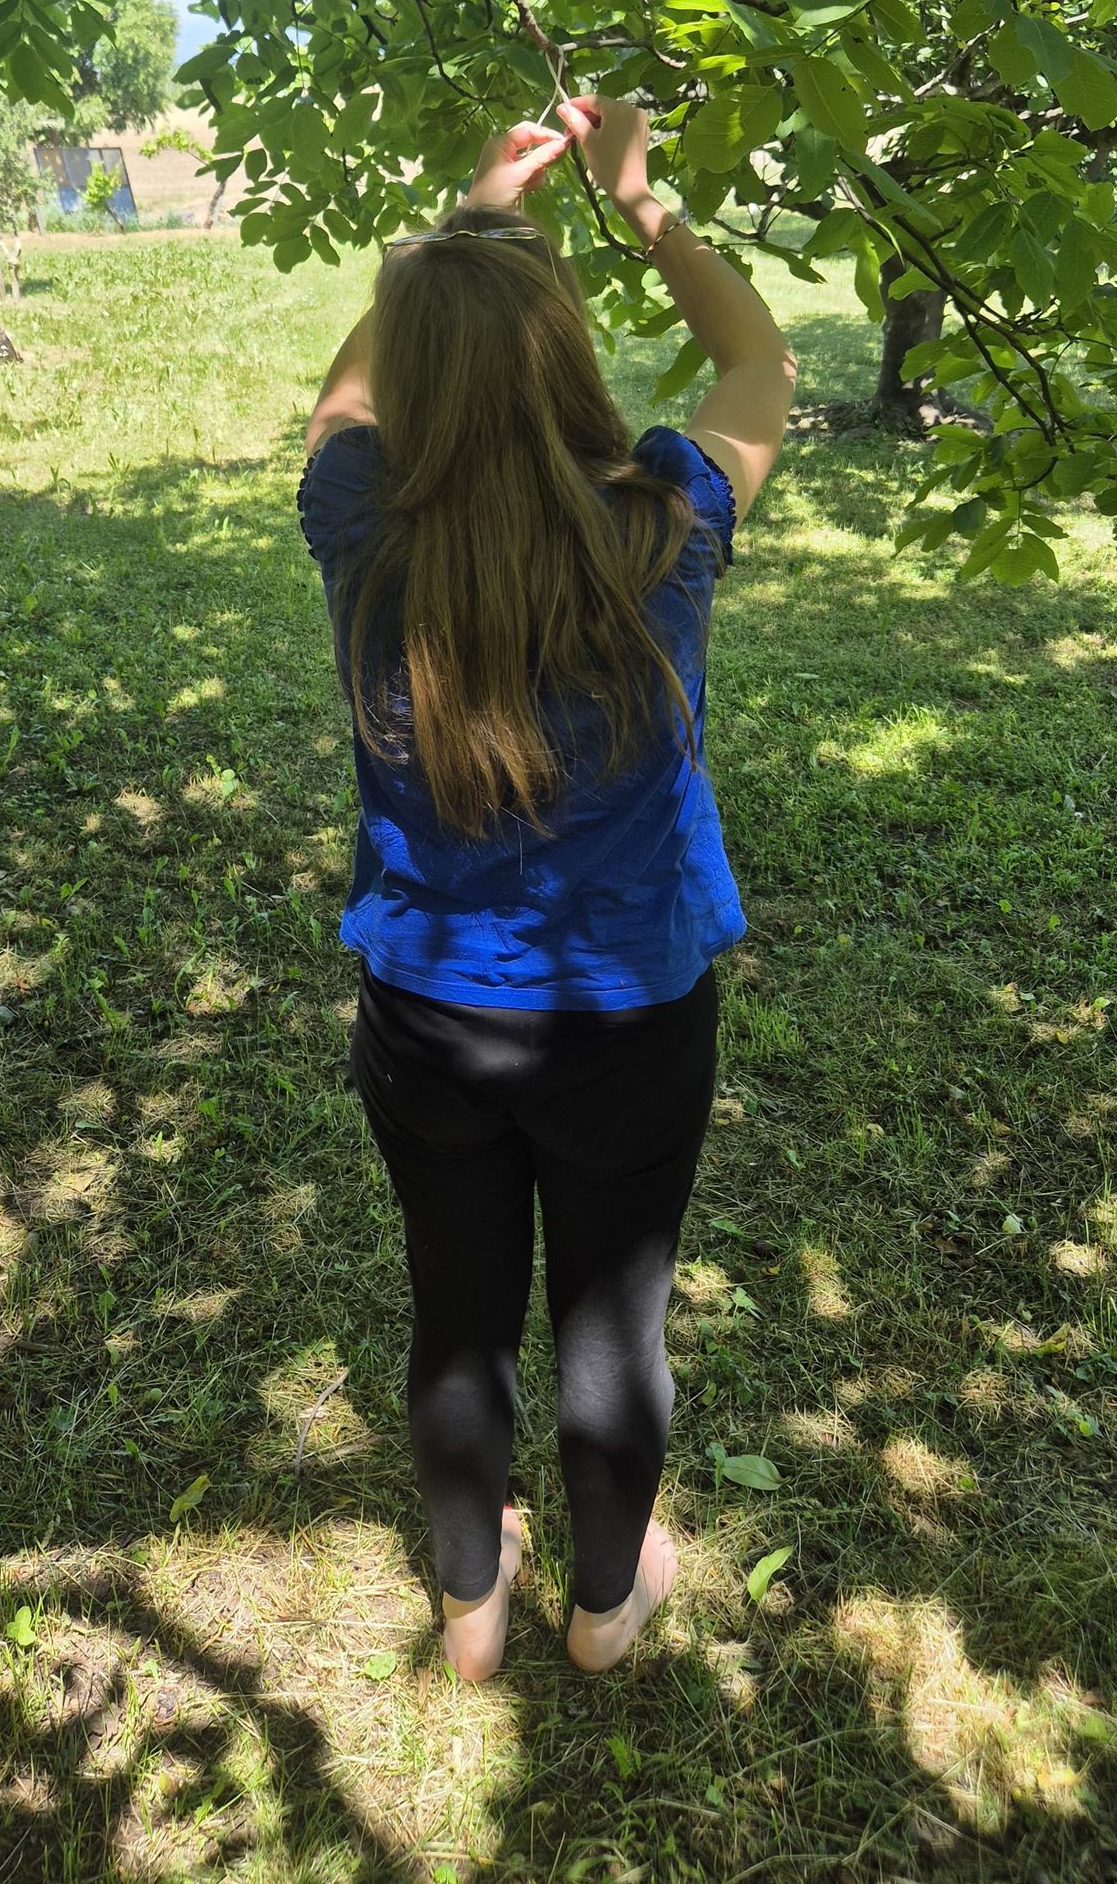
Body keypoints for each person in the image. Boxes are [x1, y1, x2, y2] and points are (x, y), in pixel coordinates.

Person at [295, 96, 795, 1680]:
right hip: (629, 1018)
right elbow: (761, 370)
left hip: (428, 1017)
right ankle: (602, 1602)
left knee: (455, 1309)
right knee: (611, 1321)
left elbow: (345, 406)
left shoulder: (363, 531)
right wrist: (638, 202)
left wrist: (465, 223)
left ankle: (467, 1607)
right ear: (568, 363)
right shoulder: (663, 523)